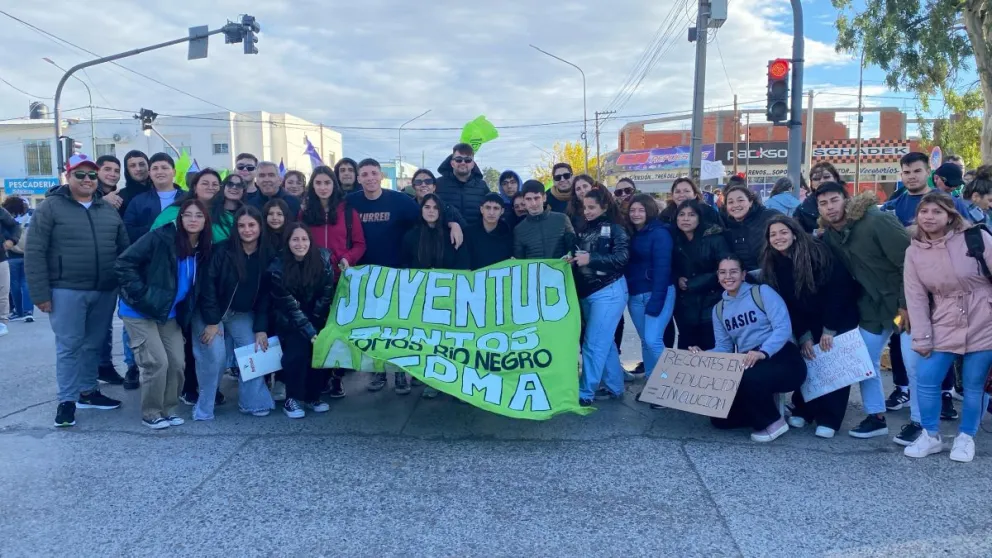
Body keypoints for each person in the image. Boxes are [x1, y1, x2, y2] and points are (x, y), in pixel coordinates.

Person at [27, 154, 130, 427]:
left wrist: (123, 284)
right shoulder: (50, 207)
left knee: (93, 344)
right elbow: (35, 251)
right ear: (68, 176)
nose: (87, 180)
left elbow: (124, 249)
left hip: (104, 289)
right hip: (66, 289)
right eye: (80, 174)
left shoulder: (107, 209)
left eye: (92, 175)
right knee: (69, 345)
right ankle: (67, 401)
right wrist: (40, 294)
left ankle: (88, 391)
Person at [816, 181, 914, 441]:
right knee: (864, 361)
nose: (830, 207)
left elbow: (910, 261)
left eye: (834, 200)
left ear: (846, 200)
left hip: (904, 305)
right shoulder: (831, 235)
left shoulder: (876, 221)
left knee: (914, 364)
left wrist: (906, 304)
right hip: (873, 307)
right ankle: (876, 417)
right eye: (823, 203)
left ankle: (920, 423)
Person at [903, 192, 992, 462]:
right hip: (943, 319)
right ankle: (930, 435)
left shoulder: (976, 237)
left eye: (937, 212)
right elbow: (916, 297)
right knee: (927, 377)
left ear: (950, 215)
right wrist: (921, 336)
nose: (929, 217)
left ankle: (966, 437)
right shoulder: (914, 251)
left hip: (984, 318)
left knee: (974, 383)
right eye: (924, 211)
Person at [761, 215, 860, 438]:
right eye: (773, 234)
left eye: (783, 232)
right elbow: (787, 303)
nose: (778, 238)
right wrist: (803, 334)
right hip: (806, 317)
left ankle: (830, 418)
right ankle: (805, 409)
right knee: (810, 359)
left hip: (837, 314)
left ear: (794, 234)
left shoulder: (817, 252)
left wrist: (829, 328)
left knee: (833, 364)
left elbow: (839, 289)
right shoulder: (773, 263)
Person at [116, 198, 209, 429]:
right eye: (188, 215)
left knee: (177, 362)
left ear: (206, 221)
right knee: (156, 362)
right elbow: (124, 263)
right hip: (139, 310)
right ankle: (151, 412)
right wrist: (141, 294)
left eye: (199, 215)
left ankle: (168, 409)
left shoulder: (202, 249)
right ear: (180, 218)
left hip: (168, 313)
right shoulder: (161, 237)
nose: (193, 220)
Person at [693, 255, 806, 443]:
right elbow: (724, 347)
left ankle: (774, 422)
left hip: (783, 357)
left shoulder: (762, 293)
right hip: (749, 362)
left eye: (733, 271)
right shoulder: (719, 310)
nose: (728, 277)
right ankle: (764, 410)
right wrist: (703, 355)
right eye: (723, 272)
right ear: (718, 276)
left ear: (743, 274)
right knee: (720, 420)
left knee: (748, 377)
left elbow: (783, 328)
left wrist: (763, 352)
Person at [194, 206, 275, 420]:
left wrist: (260, 328)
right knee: (216, 356)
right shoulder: (221, 251)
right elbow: (207, 288)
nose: (247, 230)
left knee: (255, 348)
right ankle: (204, 407)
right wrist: (212, 322)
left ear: (260, 226)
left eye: (252, 225)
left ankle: (252, 402)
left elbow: (266, 296)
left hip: (240, 313)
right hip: (210, 313)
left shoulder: (267, 254)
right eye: (241, 225)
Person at [260, 224, 336, 419]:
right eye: (295, 239)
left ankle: (313, 397)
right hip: (289, 320)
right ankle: (292, 398)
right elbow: (289, 307)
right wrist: (309, 331)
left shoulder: (323, 260)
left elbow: (326, 294)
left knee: (318, 351)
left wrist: (316, 325)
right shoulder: (277, 268)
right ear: (288, 242)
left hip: (317, 315)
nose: (300, 244)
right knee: (297, 353)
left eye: (304, 239)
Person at [569, 188, 630, 406]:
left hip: (608, 291)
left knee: (594, 344)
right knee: (605, 342)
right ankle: (615, 386)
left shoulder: (616, 229)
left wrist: (591, 258)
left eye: (592, 207)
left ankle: (586, 392)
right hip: (590, 293)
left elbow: (622, 258)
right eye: (585, 207)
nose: (587, 211)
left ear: (604, 207)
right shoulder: (585, 228)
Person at [347, 158, 461, 270]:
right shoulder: (350, 201)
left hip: (394, 270)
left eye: (374, 173)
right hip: (361, 270)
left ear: (381, 176)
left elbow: (428, 214)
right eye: (365, 175)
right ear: (358, 179)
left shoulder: (400, 200)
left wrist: (452, 223)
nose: (370, 178)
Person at [624, 193, 674, 379]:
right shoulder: (631, 233)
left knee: (653, 340)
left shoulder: (660, 233)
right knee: (645, 341)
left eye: (641, 210)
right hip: (635, 294)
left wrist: (656, 300)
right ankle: (652, 383)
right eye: (632, 210)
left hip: (657, 292)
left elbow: (663, 269)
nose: (636, 214)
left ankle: (669, 382)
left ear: (650, 211)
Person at [672, 199, 730, 350]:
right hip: (684, 305)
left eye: (691, 215)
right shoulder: (674, 239)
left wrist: (693, 283)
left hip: (711, 300)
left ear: (699, 218)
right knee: (687, 350)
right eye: (682, 214)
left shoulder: (715, 239)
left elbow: (725, 269)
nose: (686, 219)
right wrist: (677, 278)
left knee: (711, 348)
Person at [301, 165, 366, 270]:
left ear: (334, 185)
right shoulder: (304, 213)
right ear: (312, 185)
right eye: (318, 183)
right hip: (312, 273)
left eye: (327, 183)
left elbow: (360, 245)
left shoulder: (348, 212)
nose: (323, 188)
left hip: (341, 273)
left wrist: (347, 258)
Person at [882, 152, 973, 226]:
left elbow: (969, 234)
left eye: (917, 171)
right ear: (901, 175)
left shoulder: (952, 204)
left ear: (928, 172)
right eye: (907, 172)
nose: (911, 176)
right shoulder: (890, 208)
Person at [401, 194, 472, 270]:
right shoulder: (411, 236)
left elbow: (463, 262)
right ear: (421, 210)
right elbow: (405, 263)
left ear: (440, 211)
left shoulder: (452, 235)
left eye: (436, 208)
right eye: (427, 207)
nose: (431, 211)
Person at [124, 152, 182, 243]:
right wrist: (155, 230)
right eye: (155, 168)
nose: (160, 172)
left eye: (164, 168)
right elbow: (127, 230)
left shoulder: (187, 198)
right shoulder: (138, 201)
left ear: (174, 172)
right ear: (149, 173)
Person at [722, 184, 778, 275]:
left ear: (750, 202)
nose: (735, 205)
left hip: (773, 274)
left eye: (740, 200)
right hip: (747, 279)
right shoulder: (727, 226)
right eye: (730, 202)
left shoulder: (769, 216)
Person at [513, 180, 576, 259]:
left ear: (544, 197)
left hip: (561, 266)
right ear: (523, 201)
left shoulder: (562, 219)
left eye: (537, 198)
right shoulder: (519, 230)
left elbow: (573, 248)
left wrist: (571, 257)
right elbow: (519, 260)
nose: (533, 203)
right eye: (528, 199)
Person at [434, 143, 491, 228]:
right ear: (452, 163)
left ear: (473, 164)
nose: (463, 163)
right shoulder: (438, 184)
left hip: (474, 235)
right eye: (458, 159)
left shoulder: (482, 186)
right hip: (445, 235)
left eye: (467, 160)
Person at [2, 197, 31, 323]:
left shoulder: (5, 216)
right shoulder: (30, 217)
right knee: (25, 283)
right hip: (27, 254)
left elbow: (7, 232)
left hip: (11, 255)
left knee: (13, 285)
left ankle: (17, 311)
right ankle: (28, 311)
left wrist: (9, 242)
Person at [467, 193, 514, 269]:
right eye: (488, 208)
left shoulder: (507, 235)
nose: (491, 213)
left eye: (496, 208)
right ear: (481, 209)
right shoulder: (468, 233)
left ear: (502, 211)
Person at [795, 162, 842, 233]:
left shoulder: (851, 206)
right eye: (816, 179)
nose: (822, 181)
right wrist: (815, 235)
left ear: (835, 179)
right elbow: (798, 235)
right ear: (811, 183)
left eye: (826, 177)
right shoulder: (801, 211)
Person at [0, 204, 21, 337]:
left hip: (0, 258)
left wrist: (12, 241)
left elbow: (15, 226)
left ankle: (2, 322)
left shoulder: (1, 212)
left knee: (2, 292)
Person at [118, 150, 152, 216]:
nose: (138, 169)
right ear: (127, 170)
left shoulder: (160, 191)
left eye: (142, 164)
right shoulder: (120, 198)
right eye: (133, 166)